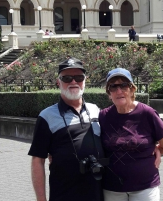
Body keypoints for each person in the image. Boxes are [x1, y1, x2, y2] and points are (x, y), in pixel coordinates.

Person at [28, 57, 105, 201]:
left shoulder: (95, 110)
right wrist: (41, 199)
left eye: (78, 77)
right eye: (67, 78)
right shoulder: (47, 116)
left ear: (85, 80)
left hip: (98, 193)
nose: (73, 82)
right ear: (58, 81)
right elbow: (38, 160)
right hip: (64, 194)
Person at [99, 68, 163, 201]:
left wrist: (157, 149)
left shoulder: (147, 113)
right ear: (109, 93)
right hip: (113, 188)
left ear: (132, 89)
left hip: (144, 187)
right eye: (113, 87)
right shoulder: (103, 116)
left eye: (124, 85)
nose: (119, 91)